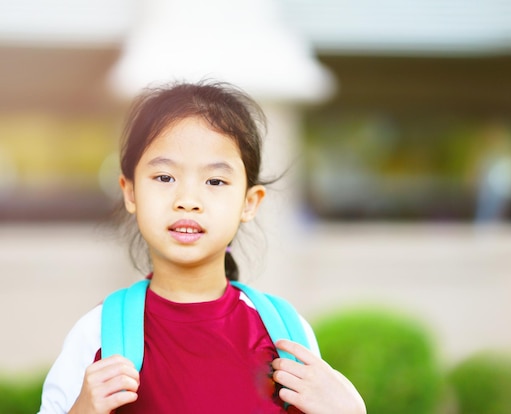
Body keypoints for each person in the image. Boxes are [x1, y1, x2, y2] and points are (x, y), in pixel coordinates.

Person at [38, 81, 366, 414]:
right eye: (165, 177)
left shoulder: (286, 336)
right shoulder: (98, 335)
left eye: (215, 181)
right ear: (130, 192)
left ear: (249, 203)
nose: (188, 201)